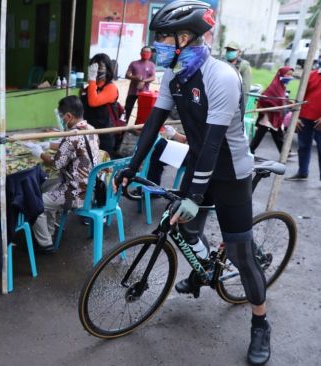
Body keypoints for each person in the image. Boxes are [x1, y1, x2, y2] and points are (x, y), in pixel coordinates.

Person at [113, 2, 270, 365]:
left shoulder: (222, 77)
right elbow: (152, 125)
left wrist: (194, 196)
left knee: (240, 254)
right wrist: (130, 167)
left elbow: (215, 143)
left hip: (231, 173)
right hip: (200, 164)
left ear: (185, 38)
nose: (157, 46)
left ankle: (261, 322)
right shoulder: (175, 76)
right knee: (181, 228)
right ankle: (204, 273)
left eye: (163, 39)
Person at [26, 96, 101, 253]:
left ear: (68, 116)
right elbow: (72, 148)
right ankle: (50, 230)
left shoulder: (71, 136)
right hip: (91, 189)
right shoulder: (92, 129)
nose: (60, 119)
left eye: (61, 116)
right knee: (46, 189)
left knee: (33, 202)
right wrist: (47, 144)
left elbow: (56, 163)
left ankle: (45, 244)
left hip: (76, 193)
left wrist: (39, 153)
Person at [286, 68, 321, 181]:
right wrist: (295, 117)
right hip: (305, 117)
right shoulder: (310, 75)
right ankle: (302, 172)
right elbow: (301, 96)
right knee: (303, 146)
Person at [249, 66, 293, 155]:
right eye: (287, 74)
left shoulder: (282, 86)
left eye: (291, 75)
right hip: (269, 116)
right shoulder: (275, 86)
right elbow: (266, 97)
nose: (290, 77)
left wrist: (287, 102)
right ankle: (250, 150)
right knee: (263, 134)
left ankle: (285, 152)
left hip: (275, 116)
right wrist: (275, 105)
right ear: (281, 74)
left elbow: (280, 99)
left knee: (276, 134)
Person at [82, 53, 118, 155]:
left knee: (103, 168)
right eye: (94, 67)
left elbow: (93, 102)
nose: (96, 71)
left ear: (108, 69)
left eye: (100, 67)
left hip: (104, 135)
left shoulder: (111, 88)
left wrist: (92, 80)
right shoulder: (90, 87)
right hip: (88, 133)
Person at [124, 46, 157, 125]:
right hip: (132, 92)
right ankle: (123, 126)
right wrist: (135, 77)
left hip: (144, 93)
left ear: (151, 54)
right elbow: (127, 75)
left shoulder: (152, 65)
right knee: (127, 109)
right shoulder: (134, 63)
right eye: (144, 51)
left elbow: (153, 77)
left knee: (142, 110)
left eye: (147, 52)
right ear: (140, 53)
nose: (145, 53)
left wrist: (144, 81)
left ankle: (138, 127)